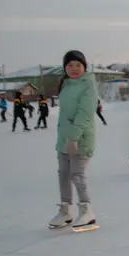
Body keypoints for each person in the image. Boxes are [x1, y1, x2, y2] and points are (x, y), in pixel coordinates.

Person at [49, 50, 99, 232]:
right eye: (70, 65)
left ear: (84, 67)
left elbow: (85, 114)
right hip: (64, 138)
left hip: (81, 138)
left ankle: (87, 210)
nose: (74, 69)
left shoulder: (88, 85)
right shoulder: (67, 84)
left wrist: (73, 138)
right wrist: (64, 138)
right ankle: (66, 210)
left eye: (78, 65)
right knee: (63, 173)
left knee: (77, 174)